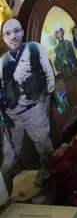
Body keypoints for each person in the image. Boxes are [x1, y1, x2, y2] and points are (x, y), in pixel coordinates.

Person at [0, 19, 55, 194]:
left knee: (45, 150)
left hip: (33, 110)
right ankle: (5, 199)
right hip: (12, 117)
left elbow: (48, 75)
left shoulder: (34, 48)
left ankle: (56, 188)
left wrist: (44, 104)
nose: (13, 36)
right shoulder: (2, 62)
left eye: (16, 31)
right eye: (8, 33)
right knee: (9, 159)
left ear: (22, 32)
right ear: (3, 38)